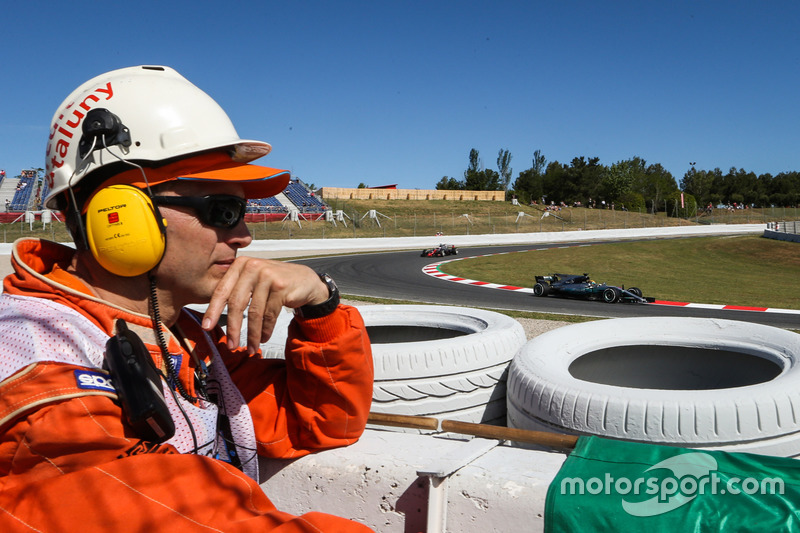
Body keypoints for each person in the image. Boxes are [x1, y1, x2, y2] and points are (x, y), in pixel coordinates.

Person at [0, 65, 375, 532]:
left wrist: (320, 305)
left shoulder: (183, 339)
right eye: (223, 210)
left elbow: (322, 421)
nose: (244, 236)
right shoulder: (42, 371)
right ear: (118, 215)